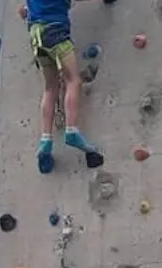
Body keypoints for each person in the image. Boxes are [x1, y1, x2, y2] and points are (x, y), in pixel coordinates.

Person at [25, 0, 103, 173]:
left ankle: (45, 139)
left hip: (36, 36)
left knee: (50, 87)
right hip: (56, 32)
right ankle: (72, 130)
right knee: (72, 80)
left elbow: (23, 10)